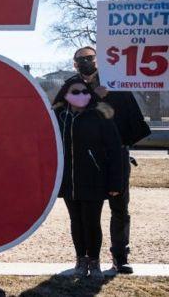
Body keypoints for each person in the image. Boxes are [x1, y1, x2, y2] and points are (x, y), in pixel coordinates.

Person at [69, 46, 151, 274]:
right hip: (86, 161)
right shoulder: (71, 86)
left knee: (120, 209)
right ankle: (87, 258)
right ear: (75, 64)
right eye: (81, 59)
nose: (86, 62)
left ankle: (120, 257)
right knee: (86, 213)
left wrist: (119, 145)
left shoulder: (117, 83)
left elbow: (134, 123)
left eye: (90, 57)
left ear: (98, 60)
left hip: (116, 158)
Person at [53, 76, 123, 279]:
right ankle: (80, 260)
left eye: (84, 91)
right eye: (75, 92)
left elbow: (114, 150)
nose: (81, 96)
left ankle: (95, 262)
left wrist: (115, 182)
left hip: (94, 179)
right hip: (69, 181)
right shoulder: (59, 117)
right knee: (76, 221)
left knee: (92, 222)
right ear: (65, 95)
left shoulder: (100, 116)